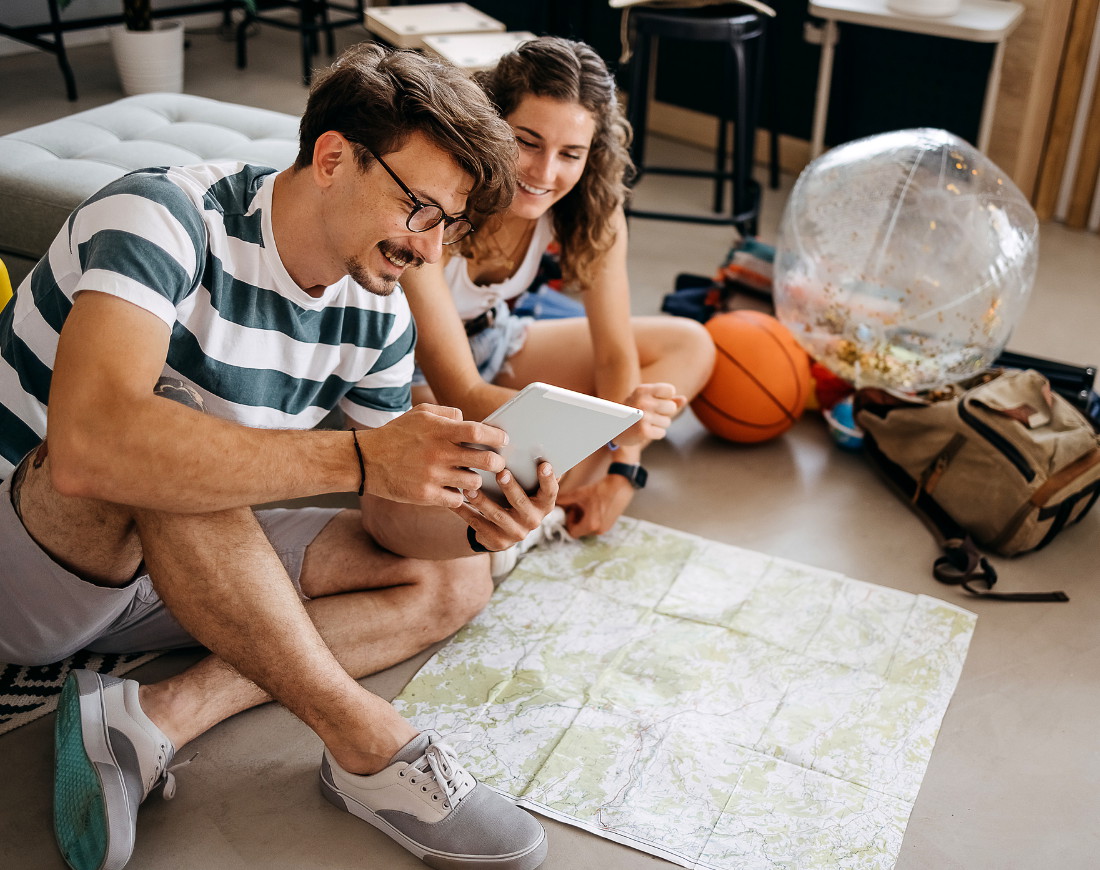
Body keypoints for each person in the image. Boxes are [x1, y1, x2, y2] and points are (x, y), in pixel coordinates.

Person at [0, 44, 555, 870]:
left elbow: (391, 523)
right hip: (32, 564)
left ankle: (153, 719)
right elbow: (89, 450)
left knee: (452, 577)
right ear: (333, 157)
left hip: (180, 568)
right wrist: (363, 458)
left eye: (449, 227)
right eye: (421, 212)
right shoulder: (161, 215)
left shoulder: (378, 313)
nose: (431, 252)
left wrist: (474, 521)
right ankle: (367, 742)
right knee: (161, 420)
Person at [402, 36, 715, 539]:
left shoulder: (591, 207)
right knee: (481, 461)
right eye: (526, 141)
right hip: (413, 371)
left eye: (571, 153)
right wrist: (611, 427)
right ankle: (558, 489)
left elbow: (615, 357)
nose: (545, 173)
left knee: (691, 342)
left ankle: (577, 487)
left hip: (494, 338)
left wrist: (623, 467)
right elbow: (460, 389)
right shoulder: (440, 197)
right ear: (490, 121)